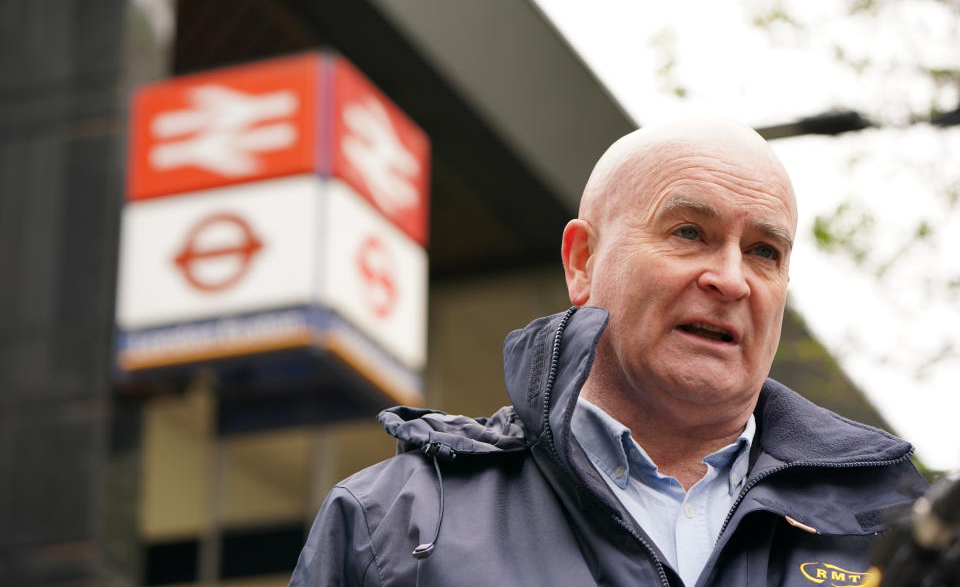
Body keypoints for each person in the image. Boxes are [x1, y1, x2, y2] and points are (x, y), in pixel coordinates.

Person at [289, 117, 928, 586]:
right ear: (582, 261)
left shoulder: (898, 537)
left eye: (765, 251)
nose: (731, 279)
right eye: (689, 233)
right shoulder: (393, 525)